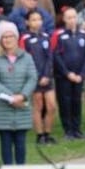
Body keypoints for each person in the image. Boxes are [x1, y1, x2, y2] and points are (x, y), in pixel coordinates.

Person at [0, 22, 36, 169]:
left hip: (22, 105)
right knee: (6, 142)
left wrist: (22, 96)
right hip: (3, 107)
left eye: (11, 36)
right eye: (4, 37)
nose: (8, 39)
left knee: (21, 142)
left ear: (16, 38)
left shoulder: (26, 57)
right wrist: (11, 97)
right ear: (0, 39)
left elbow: (32, 78)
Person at [19, 10, 58, 145]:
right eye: (34, 20)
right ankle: (40, 135)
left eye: (39, 19)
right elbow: (24, 59)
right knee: (38, 106)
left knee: (51, 106)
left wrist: (47, 75)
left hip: (47, 77)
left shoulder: (46, 36)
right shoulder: (24, 39)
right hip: (34, 78)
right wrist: (35, 77)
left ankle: (47, 133)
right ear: (27, 22)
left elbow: (49, 57)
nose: (37, 22)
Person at [52, 7, 85, 140]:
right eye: (69, 18)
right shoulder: (58, 35)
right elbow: (56, 56)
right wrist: (67, 73)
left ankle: (77, 128)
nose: (72, 20)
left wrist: (82, 74)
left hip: (79, 76)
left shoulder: (83, 35)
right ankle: (68, 130)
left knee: (77, 101)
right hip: (64, 77)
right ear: (64, 19)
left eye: (74, 17)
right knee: (65, 102)